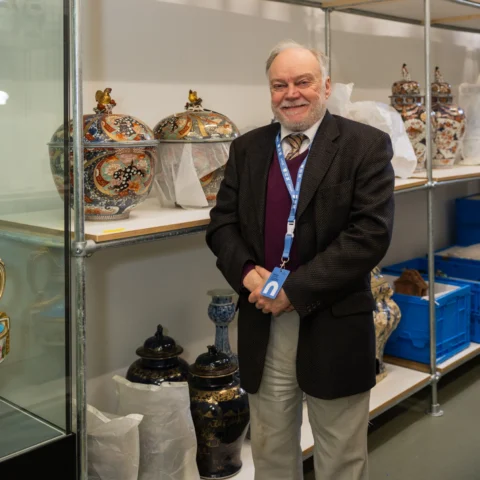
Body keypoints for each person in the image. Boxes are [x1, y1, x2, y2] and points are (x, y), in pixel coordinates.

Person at [206, 39, 395, 480]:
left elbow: (370, 235)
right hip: (262, 318)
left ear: (325, 86)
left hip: (332, 318)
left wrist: (293, 289)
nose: (291, 93)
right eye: (279, 84)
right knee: (271, 449)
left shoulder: (364, 146)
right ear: (270, 91)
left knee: (341, 455)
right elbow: (221, 225)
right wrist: (246, 272)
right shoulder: (248, 149)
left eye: (303, 81)